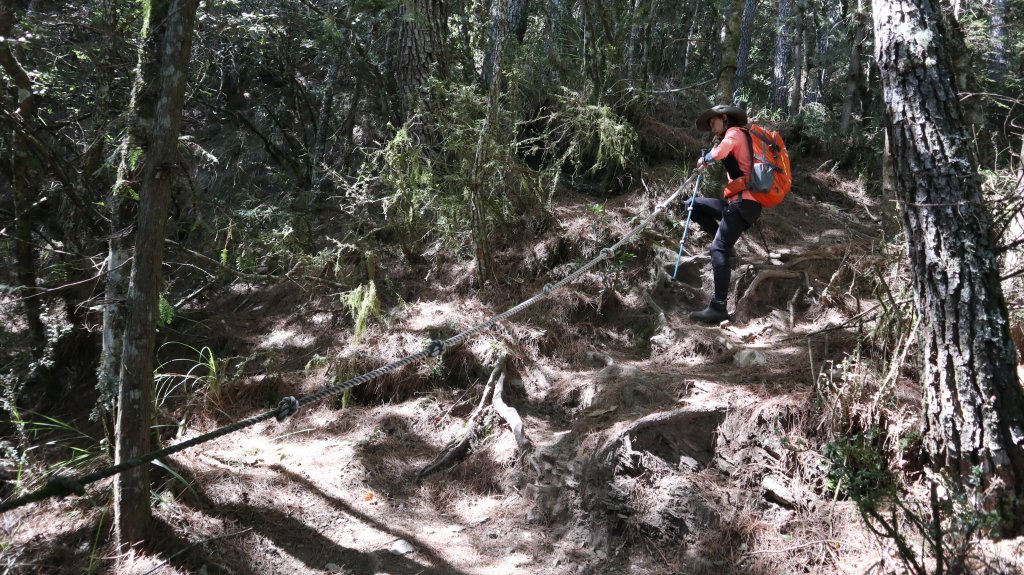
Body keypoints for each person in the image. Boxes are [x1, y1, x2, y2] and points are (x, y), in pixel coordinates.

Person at [687, 104, 762, 323]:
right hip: (735, 203)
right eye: (709, 125)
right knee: (692, 205)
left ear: (724, 117)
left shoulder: (735, 133)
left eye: (713, 123)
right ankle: (727, 252)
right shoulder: (735, 136)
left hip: (744, 204)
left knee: (717, 248)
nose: (712, 128)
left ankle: (719, 306)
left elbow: (720, 152)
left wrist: (705, 160)